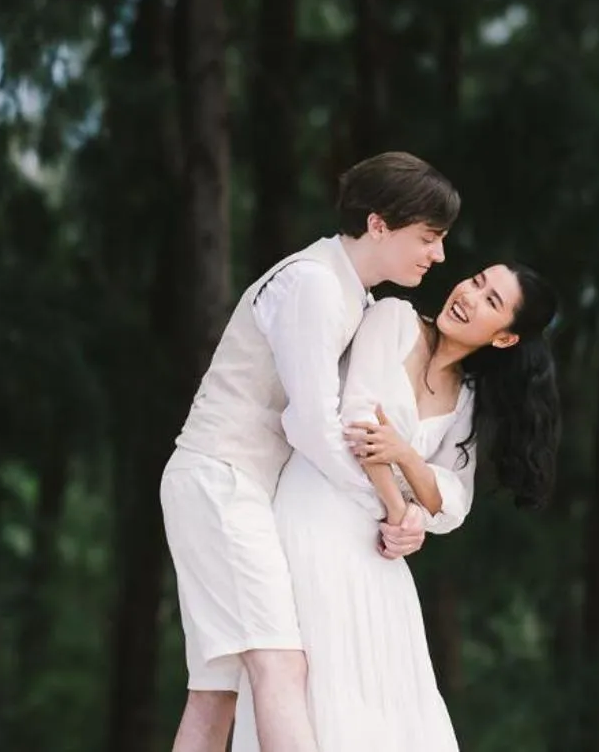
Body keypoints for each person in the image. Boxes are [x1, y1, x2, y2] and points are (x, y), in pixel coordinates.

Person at [160, 153, 461, 752]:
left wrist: (408, 508)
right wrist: (388, 507)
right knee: (281, 664)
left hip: (230, 487)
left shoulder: (355, 299)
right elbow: (314, 425)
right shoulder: (313, 285)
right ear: (379, 225)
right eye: (429, 237)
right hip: (223, 481)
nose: (439, 256)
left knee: (217, 690)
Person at [231, 261, 561, 752]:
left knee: (392, 701)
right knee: (321, 681)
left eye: (491, 301)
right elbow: (358, 422)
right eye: (476, 282)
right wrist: (401, 508)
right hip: (317, 511)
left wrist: (406, 463)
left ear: (505, 338)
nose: (469, 297)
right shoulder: (394, 319)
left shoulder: (467, 397)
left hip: (379, 553)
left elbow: (453, 502)